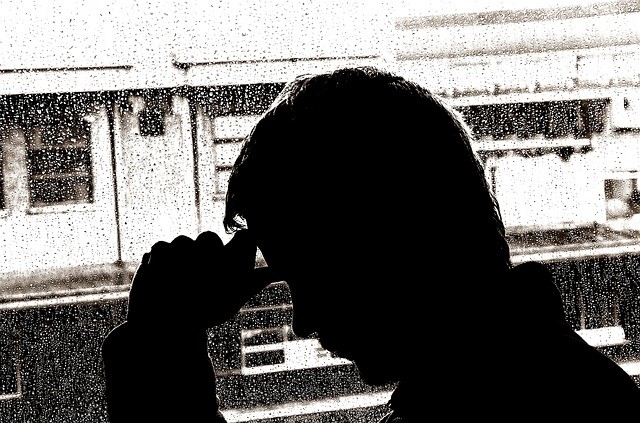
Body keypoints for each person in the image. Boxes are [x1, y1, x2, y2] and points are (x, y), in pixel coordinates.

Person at [101, 66, 640, 422]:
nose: (305, 321)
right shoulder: (558, 383)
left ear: (386, 250)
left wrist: (158, 342)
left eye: (313, 278)